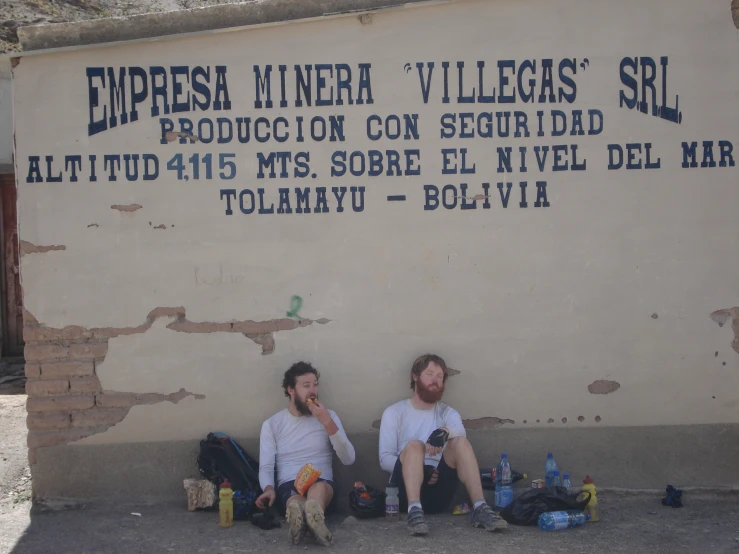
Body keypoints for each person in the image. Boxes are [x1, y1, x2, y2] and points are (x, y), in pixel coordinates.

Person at [378, 353, 508, 535]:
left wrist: (445, 432)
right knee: (416, 446)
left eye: (440, 376)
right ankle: (414, 512)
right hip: (405, 494)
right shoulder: (395, 412)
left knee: (460, 442)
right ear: (415, 376)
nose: (435, 380)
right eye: (430, 373)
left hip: (438, 492)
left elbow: (460, 432)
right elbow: (384, 460)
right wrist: (419, 468)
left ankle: (480, 507)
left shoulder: (447, 412)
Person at [255, 361, 356, 546]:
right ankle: (306, 521)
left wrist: (327, 423)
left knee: (316, 489)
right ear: (291, 390)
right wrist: (268, 489)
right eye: (306, 386)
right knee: (294, 502)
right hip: (289, 484)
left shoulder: (329, 416)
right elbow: (267, 465)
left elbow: (349, 459)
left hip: (323, 484)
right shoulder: (273, 424)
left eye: (315, 385)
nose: (313, 391)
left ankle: (309, 519)